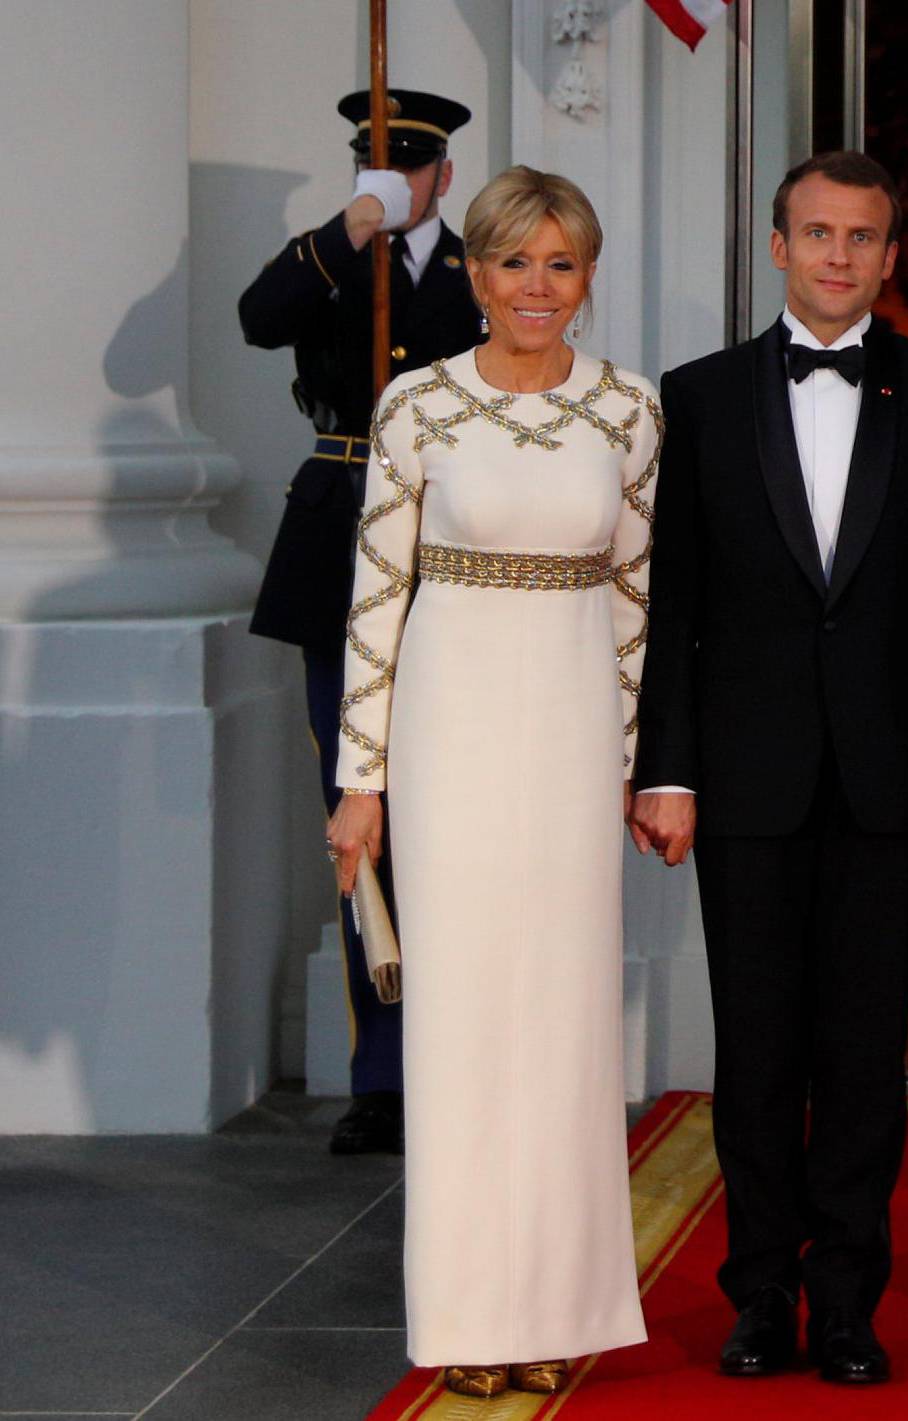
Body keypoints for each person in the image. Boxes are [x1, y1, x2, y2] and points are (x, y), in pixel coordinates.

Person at [630, 150, 908, 1386]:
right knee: (758, 1051)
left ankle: (848, 1302)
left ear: (893, 258)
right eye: (818, 232)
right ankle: (758, 1297)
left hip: (893, 778)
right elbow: (675, 598)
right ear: (777, 246)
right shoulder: (700, 396)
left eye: (864, 237)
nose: (839, 255)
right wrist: (664, 765)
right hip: (743, 776)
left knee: (862, 1058)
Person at [324, 166, 654, 1398]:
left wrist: (636, 765)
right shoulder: (418, 405)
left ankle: (560, 1302)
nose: (537, 287)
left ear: (586, 276)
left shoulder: (631, 411)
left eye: (561, 263)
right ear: (472, 272)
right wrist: (363, 777)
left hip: (572, 736)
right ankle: (467, 1317)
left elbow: (636, 604)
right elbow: (376, 596)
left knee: (564, 1028)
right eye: (514, 261)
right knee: (462, 1031)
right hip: (447, 727)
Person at [239, 87, 480, 1156]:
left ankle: (464, 1054)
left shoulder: (490, 269)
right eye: (374, 164)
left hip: (457, 546)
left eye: (410, 167)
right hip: (341, 536)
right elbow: (258, 319)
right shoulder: (332, 260)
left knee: (461, 808)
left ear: (445, 175)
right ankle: (381, 1068)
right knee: (358, 804)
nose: (392, 179)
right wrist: (349, 231)